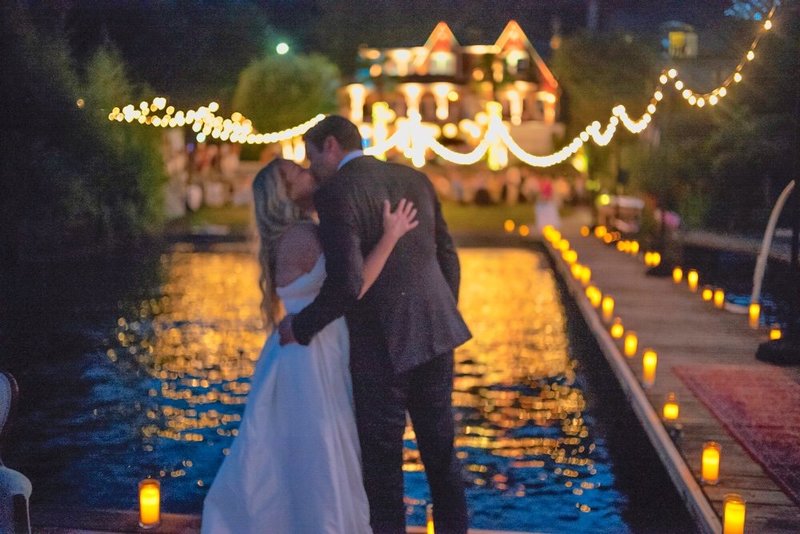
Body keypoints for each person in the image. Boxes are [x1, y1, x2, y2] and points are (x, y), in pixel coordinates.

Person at [200, 157, 419, 534]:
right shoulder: (303, 236)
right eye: (294, 172)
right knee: (321, 449)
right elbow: (354, 285)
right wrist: (391, 235)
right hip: (312, 352)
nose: (306, 170)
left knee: (298, 451)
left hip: (305, 348)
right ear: (283, 193)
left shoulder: (292, 236)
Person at [278, 116, 472, 534]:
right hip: (436, 335)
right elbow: (448, 258)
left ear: (330, 145)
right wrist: (438, 311)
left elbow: (347, 282)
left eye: (311, 156)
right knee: (442, 457)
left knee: (384, 467)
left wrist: (302, 325)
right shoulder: (415, 178)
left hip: (380, 346)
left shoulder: (336, 193)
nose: (311, 168)